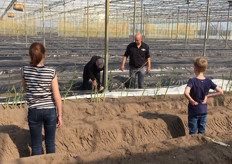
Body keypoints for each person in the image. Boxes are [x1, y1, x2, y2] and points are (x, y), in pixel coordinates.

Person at [21, 42, 62, 155]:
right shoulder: (51, 72)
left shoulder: (24, 70)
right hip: (50, 111)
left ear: (30, 55)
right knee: (50, 143)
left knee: (36, 144)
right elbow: (57, 95)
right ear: (45, 54)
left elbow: (26, 88)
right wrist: (60, 115)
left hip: (34, 110)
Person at [184, 56, 223, 135]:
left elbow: (186, 92)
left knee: (193, 132)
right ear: (205, 69)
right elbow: (221, 92)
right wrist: (207, 96)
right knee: (202, 131)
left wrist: (191, 100)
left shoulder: (192, 81)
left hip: (193, 110)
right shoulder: (208, 81)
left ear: (195, 69)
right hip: (203, 110)